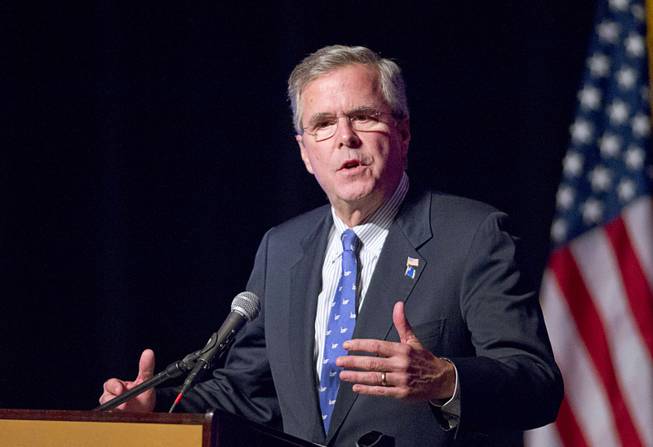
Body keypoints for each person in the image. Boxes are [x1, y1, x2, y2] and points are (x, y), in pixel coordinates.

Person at [100, 45, 563, 446]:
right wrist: (155, 406)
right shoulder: (281, 249)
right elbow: (249, 392)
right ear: (305, 153)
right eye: (323, 124)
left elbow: (537, 385)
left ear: (402, 131)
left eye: (364, 116)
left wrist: (444, 379)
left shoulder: (472, 234)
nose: (346, 137)